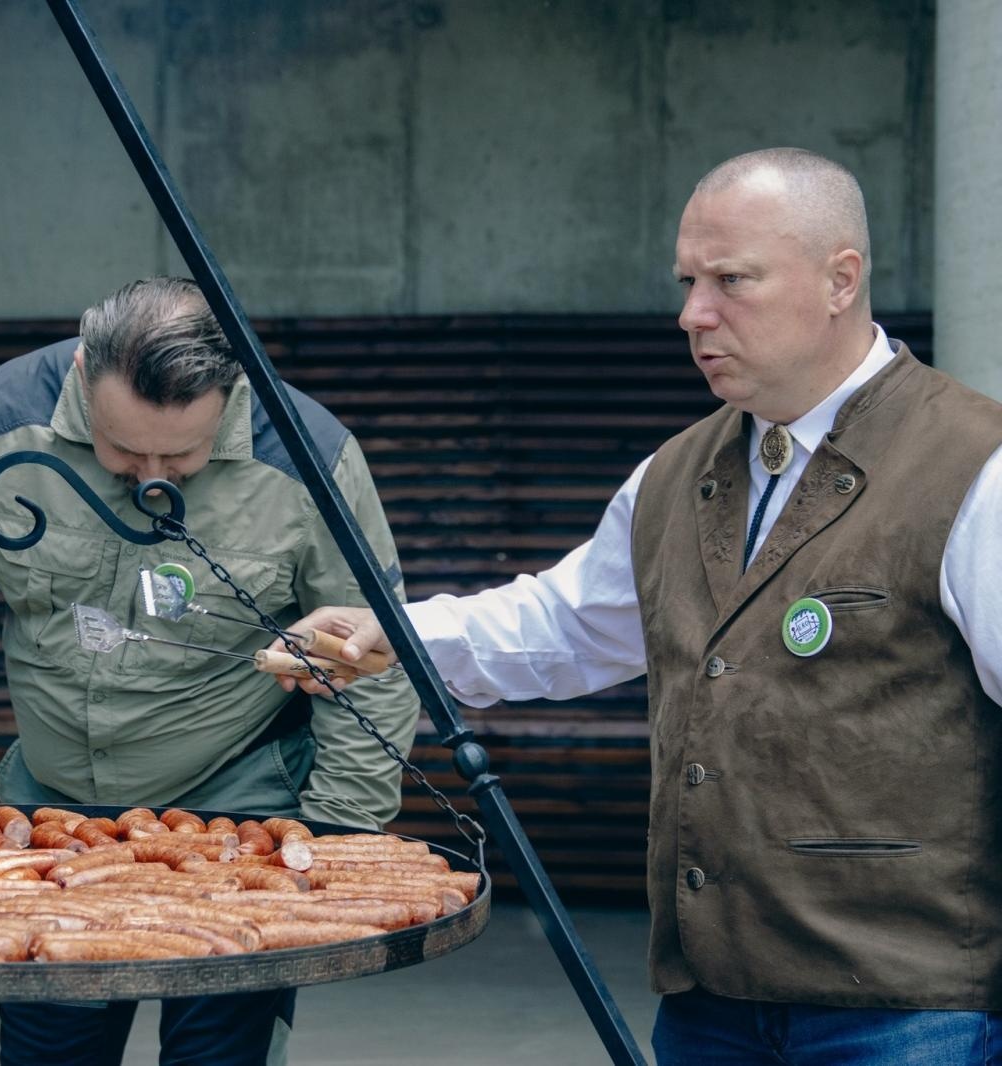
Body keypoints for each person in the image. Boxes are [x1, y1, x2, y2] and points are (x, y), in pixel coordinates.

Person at [275, 148, 1002, 1064]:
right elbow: (569, 624)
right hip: (708, 1000)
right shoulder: (677, 473)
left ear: (839, 280)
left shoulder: (974, 465)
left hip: (911, 1011)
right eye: (690, 281)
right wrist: (395, 633)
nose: (694, 313)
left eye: (732, 279)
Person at [0, 275, 420, 1065]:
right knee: (51, 1052)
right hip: (54, 823)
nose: (153, 474)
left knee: (219, 1057)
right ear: (84, 373)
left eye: (181, 452)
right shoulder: (3, 419)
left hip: (240, 818)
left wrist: (334, 835)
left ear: (228, 394)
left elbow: (373, 652)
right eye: (123, 448)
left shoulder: (311, 458)